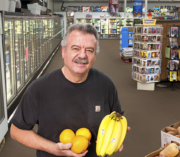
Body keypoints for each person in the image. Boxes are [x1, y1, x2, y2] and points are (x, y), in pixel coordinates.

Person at [10, 23, 130, 157]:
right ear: (63, 51)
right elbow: (16, 131)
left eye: (89, 50)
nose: (83, 55)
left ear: (95, 56)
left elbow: (117, 119)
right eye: (76, 48)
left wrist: (117, 135)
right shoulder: (39, 89)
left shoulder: (106, 85)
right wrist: (52, 148)